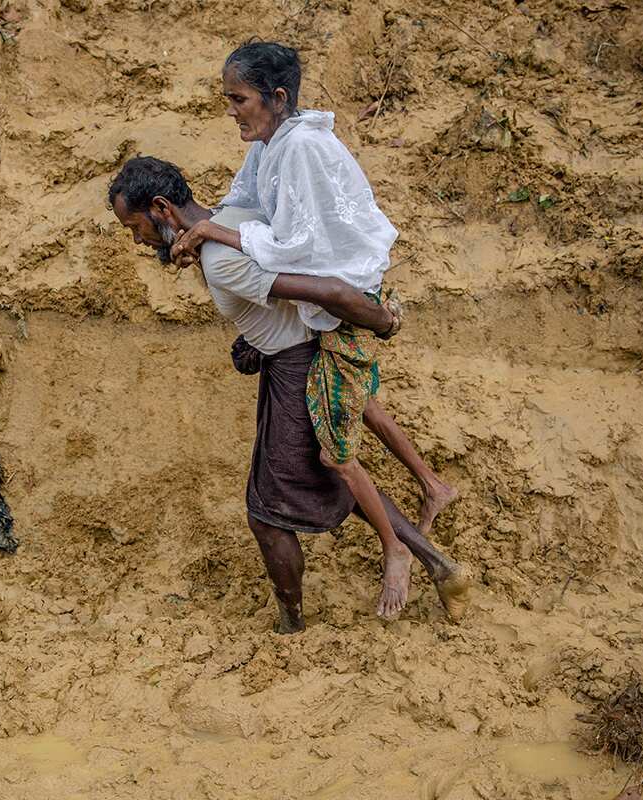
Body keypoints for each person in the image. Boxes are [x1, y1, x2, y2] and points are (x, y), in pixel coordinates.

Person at [108, 156, 472, 630]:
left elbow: (318, 290)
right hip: (293, 355)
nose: (138, 240)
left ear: (160, 208)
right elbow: (280, 294)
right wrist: (254, 339)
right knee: (336, 471)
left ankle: (292, 624)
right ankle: (442, 568)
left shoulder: (220, 260)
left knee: (266, 512)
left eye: (136, 227)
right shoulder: (233, 219)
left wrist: (380, 320)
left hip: (296, 366)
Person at [169, 41, 451, 619]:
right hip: (328, 308)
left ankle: (399, 547)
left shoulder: (299, 148)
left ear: (276, 97)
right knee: (353, 407)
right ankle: (428, 501)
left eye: (239, 99)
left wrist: (214, 236)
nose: (232, 111)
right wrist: (206, 228)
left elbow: (293, 248)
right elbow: (241, 202)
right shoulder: (272, 144)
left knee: (334, 450)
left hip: (344, 298)